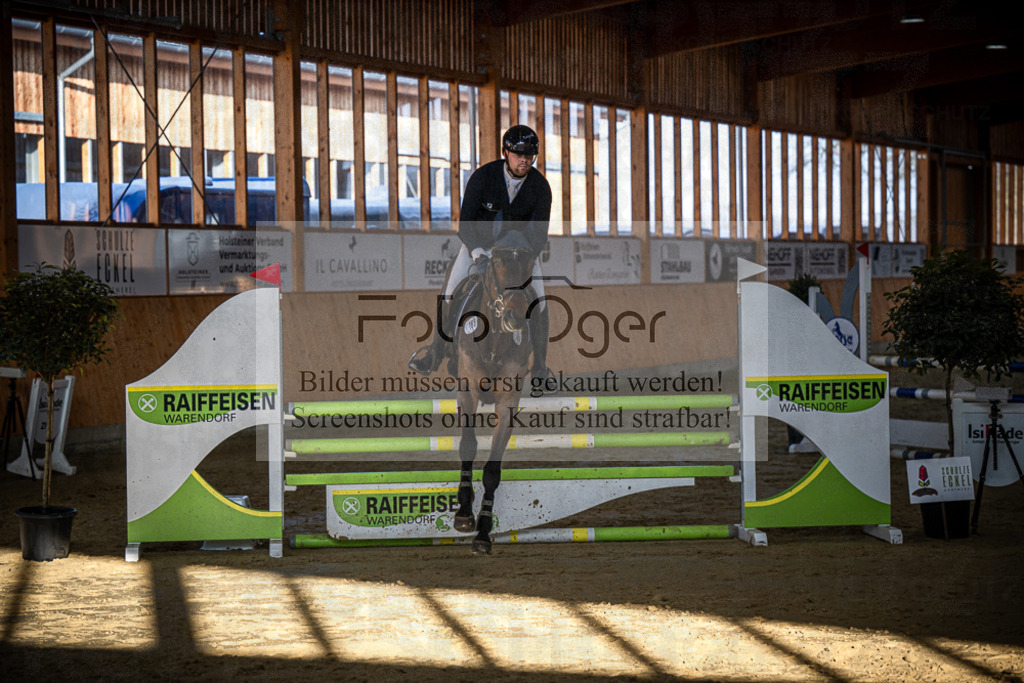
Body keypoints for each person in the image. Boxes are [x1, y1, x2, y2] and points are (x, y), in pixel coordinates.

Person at [408, 124, 552, 380]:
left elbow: (540, 233)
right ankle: (435, 351)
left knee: (540, 302)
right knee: (450, 292)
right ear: (505, 153)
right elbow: (465, 224)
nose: (524, 160)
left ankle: (540, 366)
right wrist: (477, 254)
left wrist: (526, 257)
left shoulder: (540, 187)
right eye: (519, 154)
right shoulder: (483, 178)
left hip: (519, 254)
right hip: (479, 249)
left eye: (529, 156)